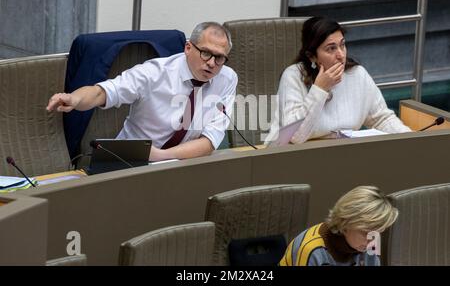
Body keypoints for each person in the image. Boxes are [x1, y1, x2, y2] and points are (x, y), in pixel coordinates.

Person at [46, 22, 238, 162]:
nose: (212, 63)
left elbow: (209, 141)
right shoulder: (153, 73)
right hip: (128, 161)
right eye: (206, 53)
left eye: (220, 58)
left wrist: (161, 157)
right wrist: (74, 98)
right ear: (188, 48)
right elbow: (100, 93)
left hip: (179, 162)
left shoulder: (227, 79)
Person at [265, 16, 410, 144]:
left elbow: (381, 119)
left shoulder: (357, 74)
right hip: (297, 159)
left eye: (342, 45)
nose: (341, 55)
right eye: (331, 49)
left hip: (343, 156)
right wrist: (319, 90)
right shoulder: (294, 76)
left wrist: (412, 139)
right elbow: (295, 137)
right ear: (312, 56)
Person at [279, 186, 398, 266]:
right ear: (345, 222)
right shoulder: (311, 250)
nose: (372, 240)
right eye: (365, 233)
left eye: (377, 233)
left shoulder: (369, 243)